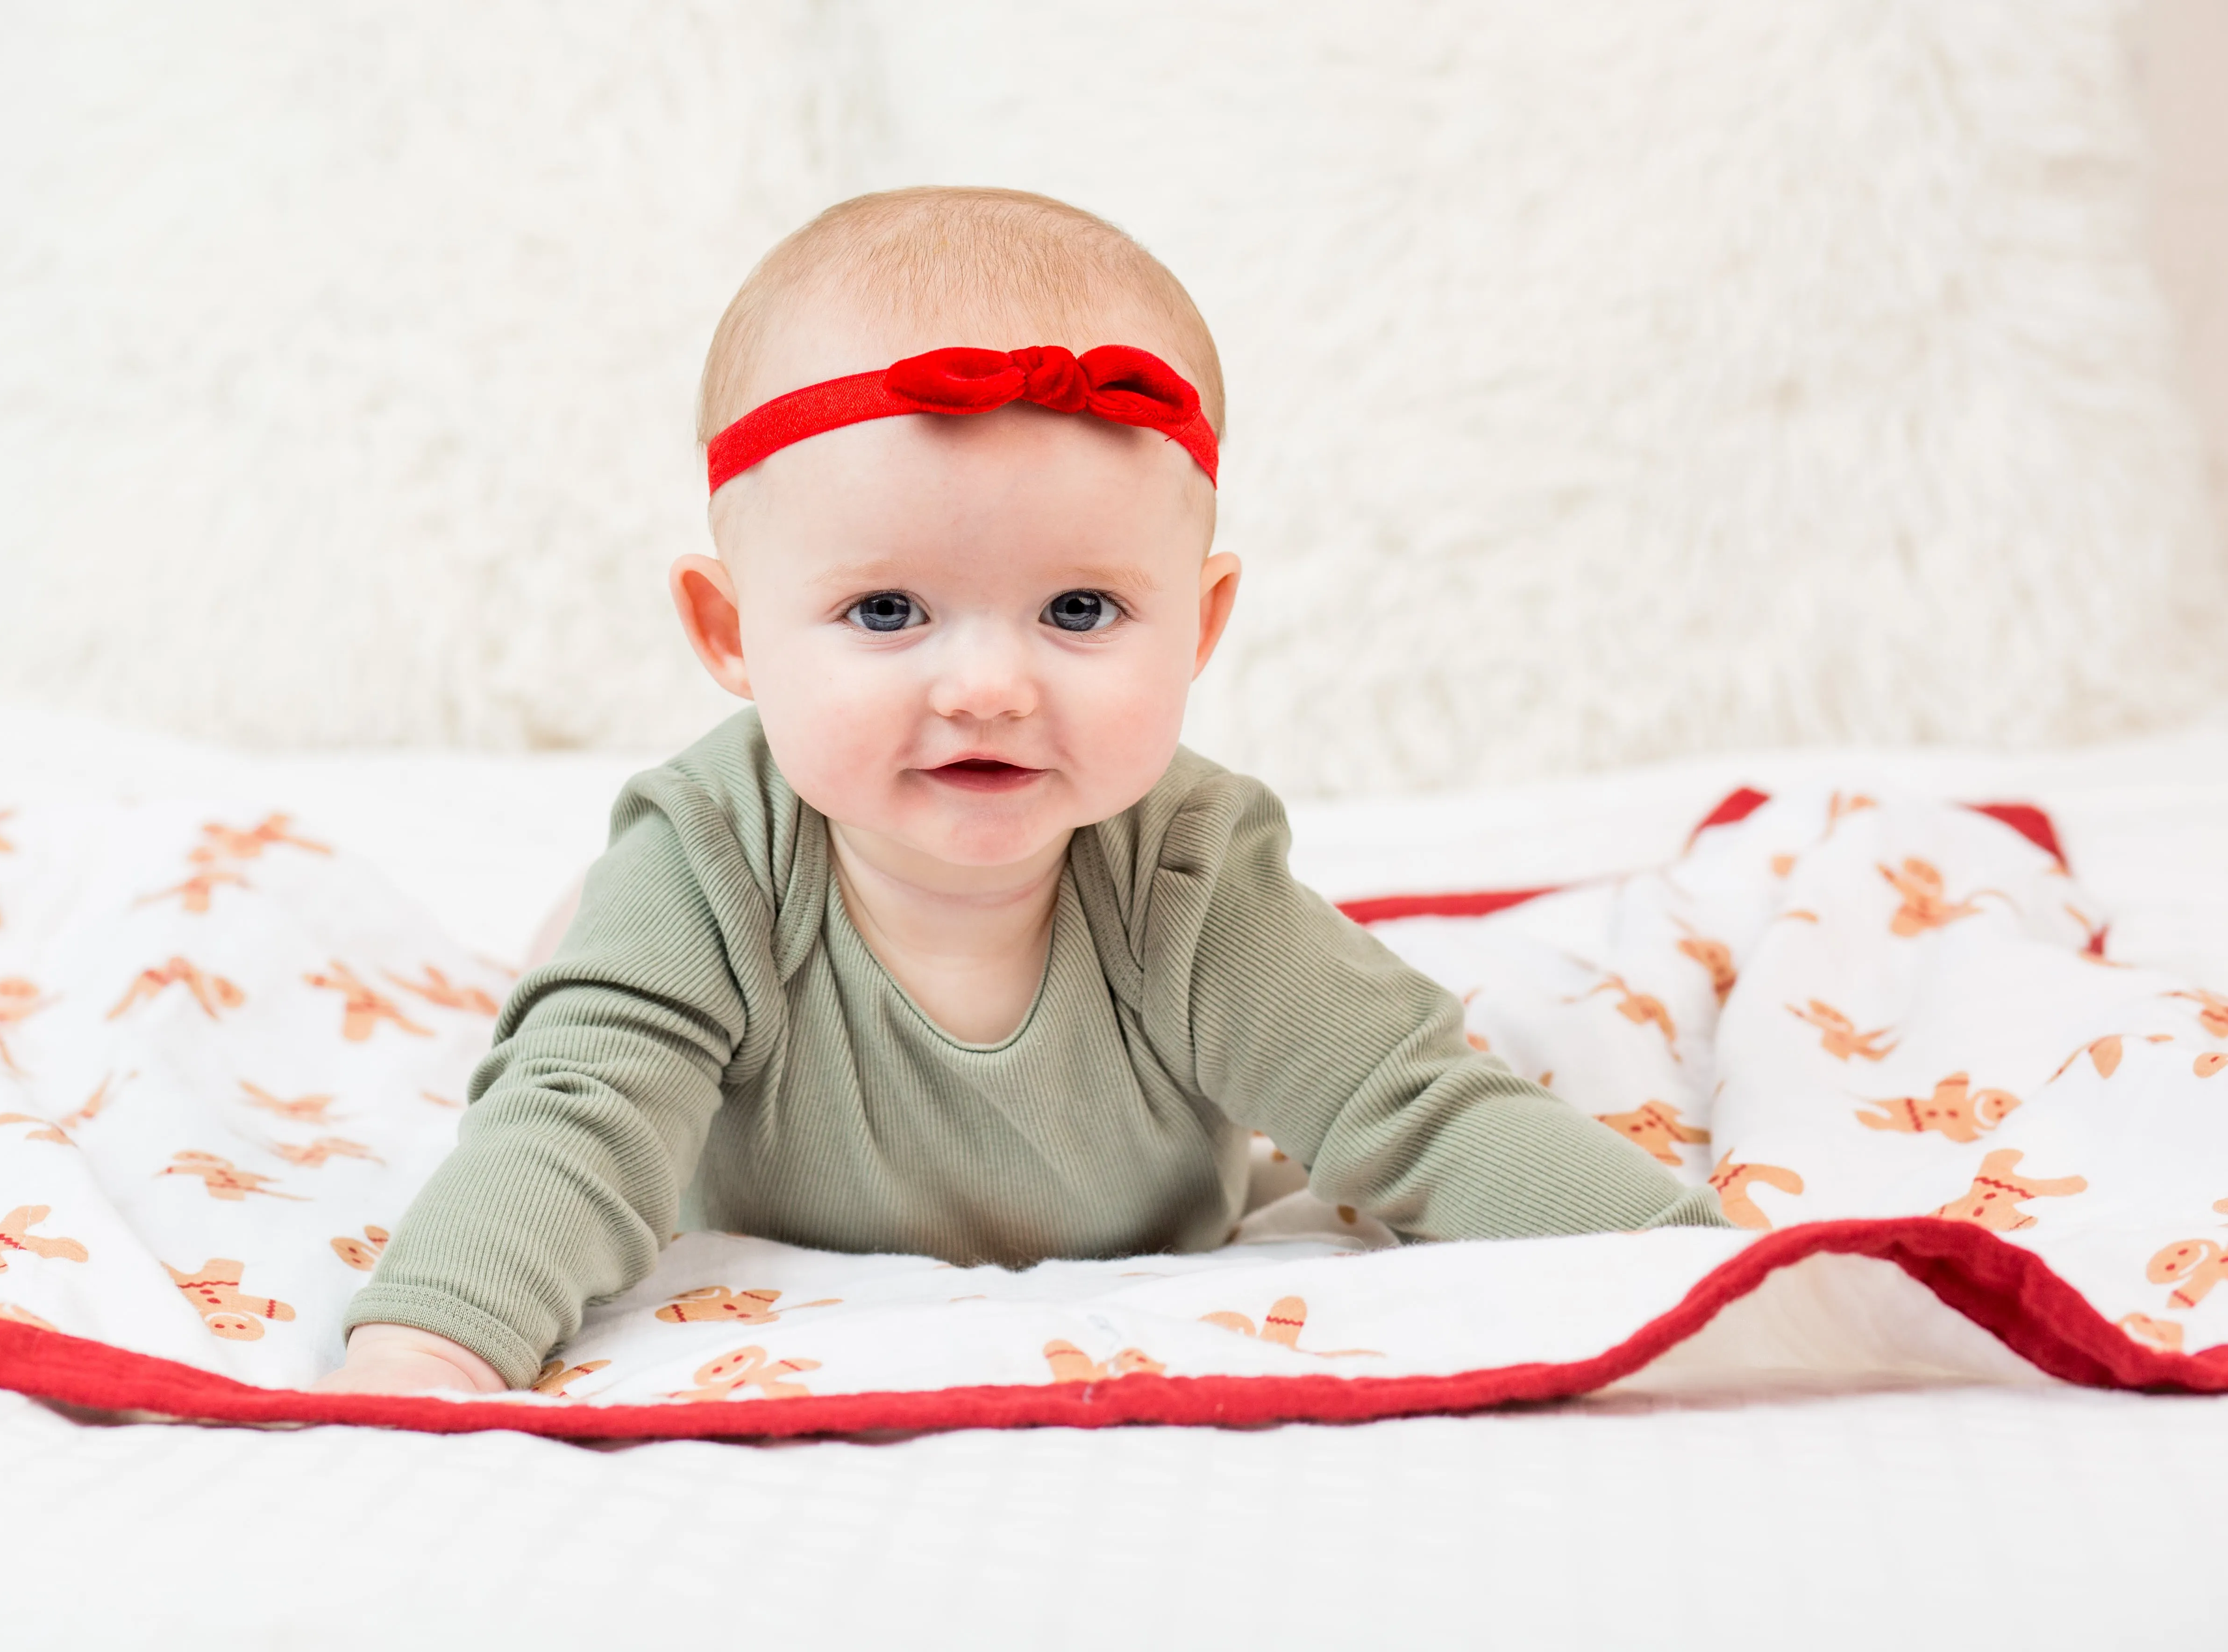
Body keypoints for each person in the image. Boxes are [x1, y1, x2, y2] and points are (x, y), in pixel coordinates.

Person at [317, 187, 1725, 1397]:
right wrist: (439, 1339)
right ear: (730, 632)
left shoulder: (1186, 876)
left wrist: (1689, 1271)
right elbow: (579, 1120)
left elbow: (1409, 1103)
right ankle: (555, 951)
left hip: (1148, 1192)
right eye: (885, 612)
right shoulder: (710, 861)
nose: (987, 686)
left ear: (1201, 623)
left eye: (1079, 608)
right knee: (594, 988)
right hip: (696, 1052)